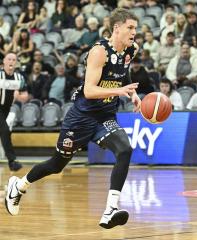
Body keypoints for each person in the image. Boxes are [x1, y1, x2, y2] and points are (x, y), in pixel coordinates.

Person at [5, 8, 141, 229]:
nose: (135, 32)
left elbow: (123, 72)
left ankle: (110, 210)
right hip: (82, 118)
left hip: (104, 116)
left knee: (125, 150)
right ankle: (18, 187)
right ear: (117, 28)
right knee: (56, 165)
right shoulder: (99, 52)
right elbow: (89, 90)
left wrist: (132, 94)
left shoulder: (131, 49)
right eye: (131, 27)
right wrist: (119, 91)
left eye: (135, 28)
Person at [0, 52, 29, 171]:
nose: (11, 61)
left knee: (3, 132)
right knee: (5, 131)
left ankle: (12, 161)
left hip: (6, 109)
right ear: (4, 62)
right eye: (9, 59)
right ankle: (12, 161)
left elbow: (25, 96)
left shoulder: (19, 78)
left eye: (14, 60)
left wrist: (18, 97)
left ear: (16, 63)